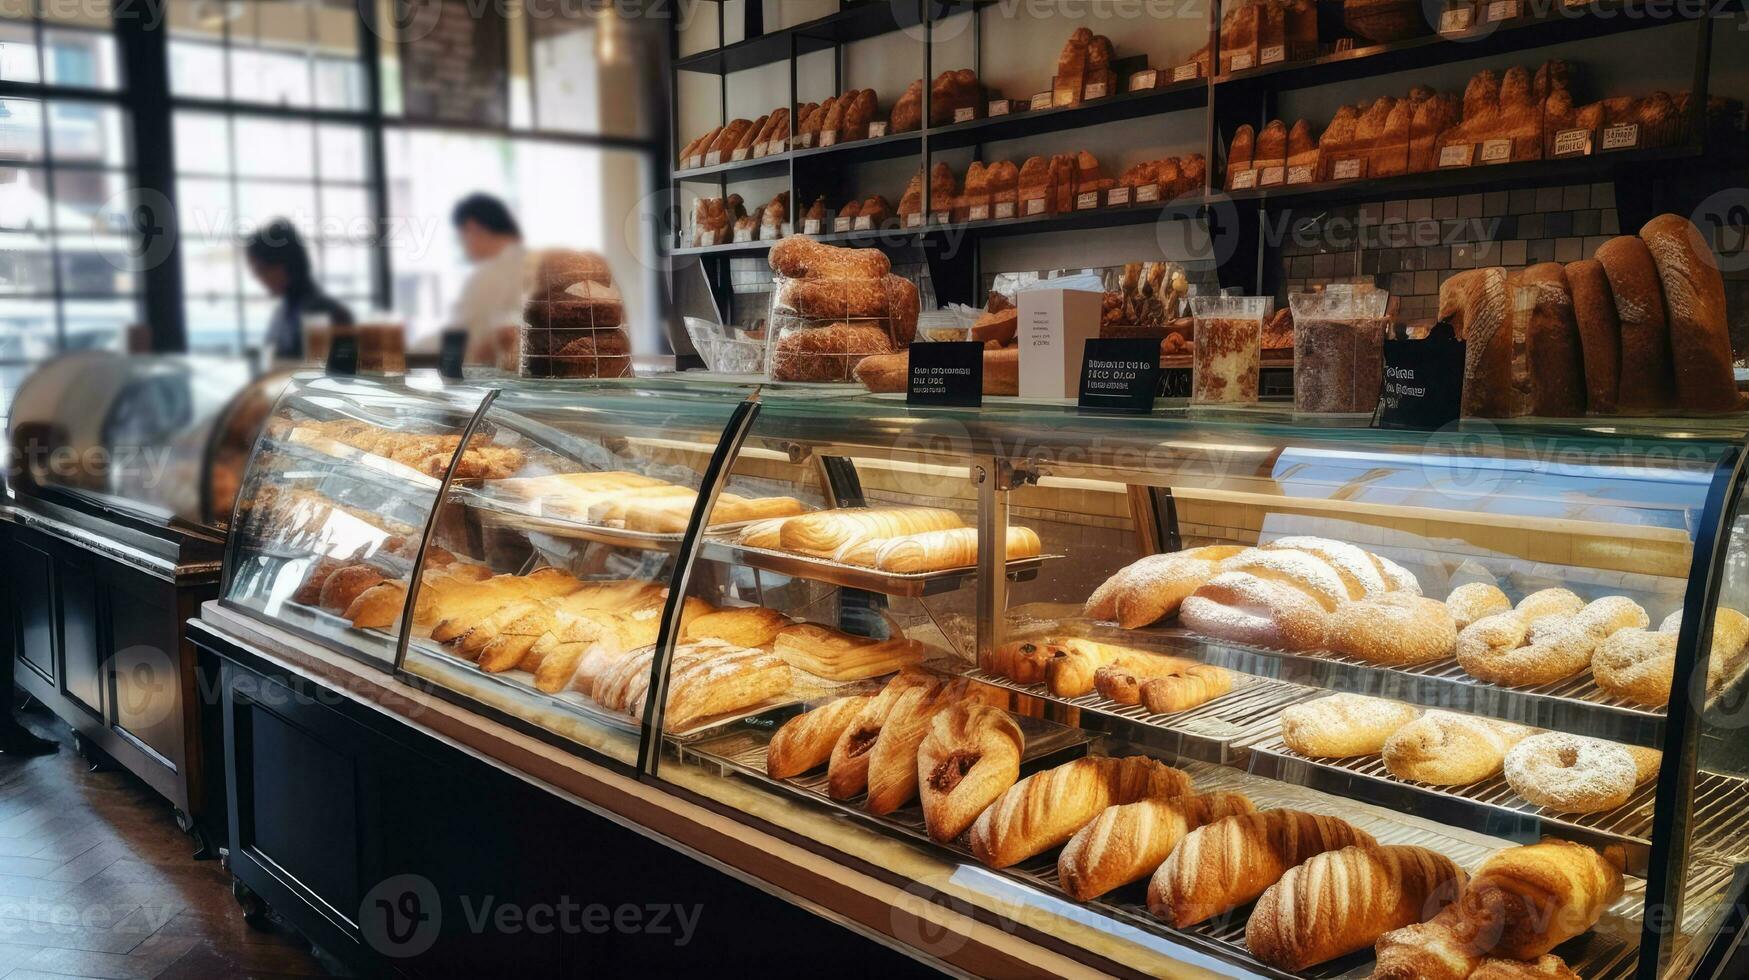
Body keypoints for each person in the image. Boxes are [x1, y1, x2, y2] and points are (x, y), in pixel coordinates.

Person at [245, 219, 354, 360]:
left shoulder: (324, 312)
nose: (258, 278)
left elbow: (330, 376)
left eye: (261, 269)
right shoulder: (285, 310)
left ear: (286, 264)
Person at [449, 193, 526, 359]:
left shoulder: (488, 275)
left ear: (473, 228)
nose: (463, 246)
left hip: (491, 377)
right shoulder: (538, 264)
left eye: (461, 237)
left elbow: (463, 339)